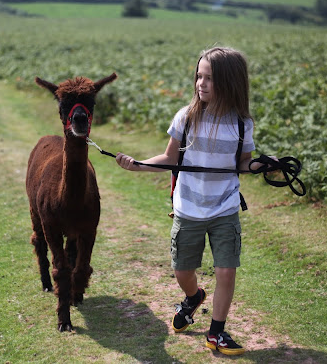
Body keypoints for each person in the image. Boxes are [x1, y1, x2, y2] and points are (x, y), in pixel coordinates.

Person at [116, 46, 274, 356]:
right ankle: (193, 297)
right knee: (182, 270)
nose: (201, 83)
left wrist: (266, 165)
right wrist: (139, 165)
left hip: (225, 207)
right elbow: (170, 157)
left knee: (226, 270)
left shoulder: (242, 123)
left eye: (210, 78)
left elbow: (243, 163)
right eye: (199, 76)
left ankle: (216, 332)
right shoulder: (186, 118)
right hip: (188, 207)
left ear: (230, 83)